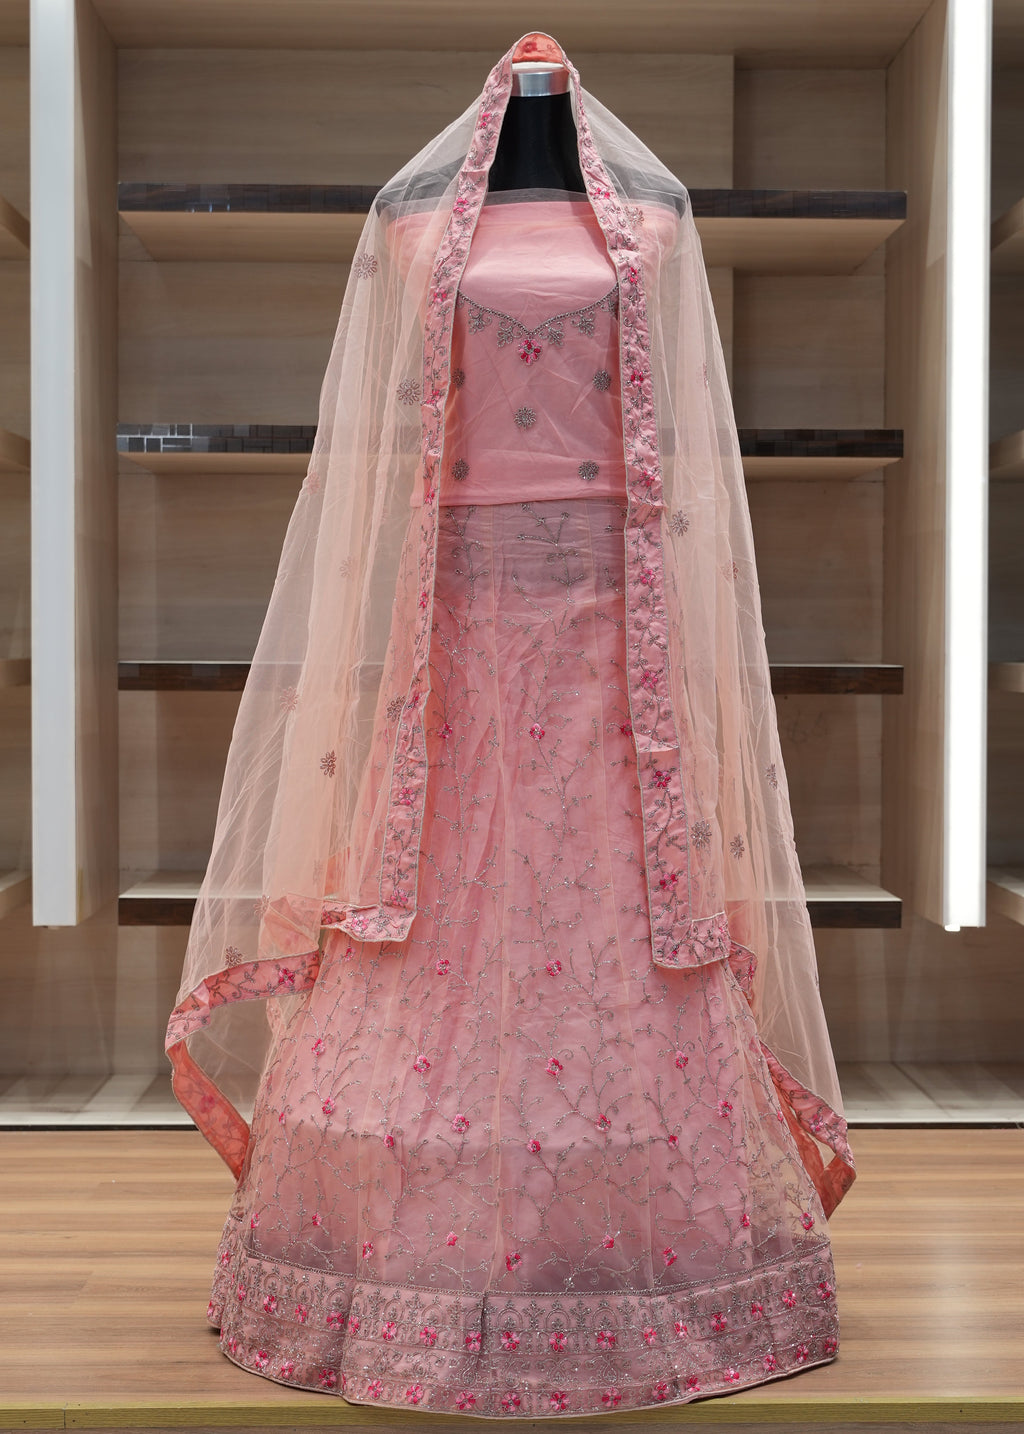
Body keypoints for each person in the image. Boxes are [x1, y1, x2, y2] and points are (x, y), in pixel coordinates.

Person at [166, 31, 855, 1417]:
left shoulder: (652, 221)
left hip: (612, 613)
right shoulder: (418, 222)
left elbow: (693, 456)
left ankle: (642, 1266)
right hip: (463, 615)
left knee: (609, 900)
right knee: (449, 893)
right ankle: (400, 1265)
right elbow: (375, 442)